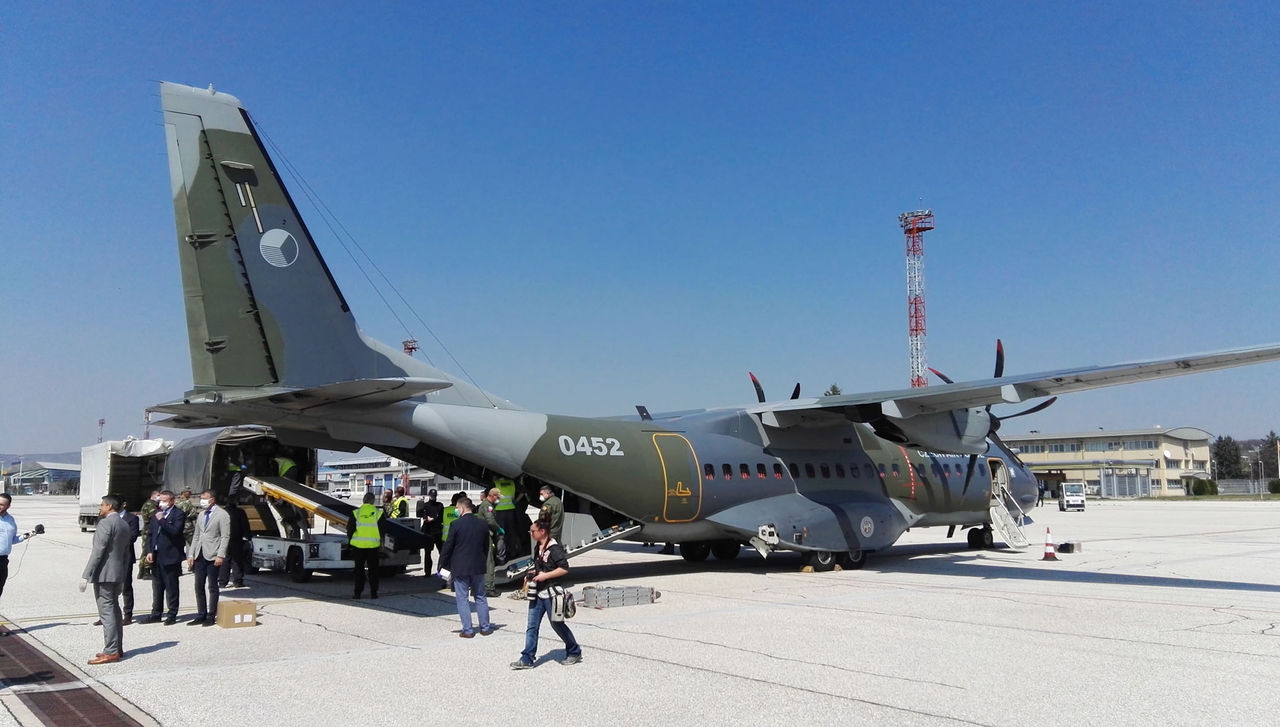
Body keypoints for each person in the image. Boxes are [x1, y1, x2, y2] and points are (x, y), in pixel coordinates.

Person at [510, 518, 581, 669]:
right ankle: (527, 658)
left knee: (557, 624)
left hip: (551, 594)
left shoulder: (555, 548)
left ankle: (574, 651)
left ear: (542, 531)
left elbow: (564, 568)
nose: (531, 533)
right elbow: (539, 566)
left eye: (533, 531)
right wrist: (532, 573)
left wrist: (545, 576)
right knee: (532, 626)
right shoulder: (538, 546)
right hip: (537, 593)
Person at [81, 495, 132, 664]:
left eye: (102, 505)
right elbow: (126, 553)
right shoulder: (124, 524)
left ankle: (111, 651)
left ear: (109, 506)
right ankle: (117, 647)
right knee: (115, 610)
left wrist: (86, 574)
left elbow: (98, 551)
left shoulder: (105, 523)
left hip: (104, 573)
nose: (100, 507)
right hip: (118, 572)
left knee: (107, 612)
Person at [437, 498, 493, 638]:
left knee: (462, 599)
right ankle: (485, 628)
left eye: (457, 508)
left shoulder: (456, 524)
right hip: (478, 566)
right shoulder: (482, 524)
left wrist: (441, 564)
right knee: (480, 596)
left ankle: (468, 630)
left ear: (462, 508)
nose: (456, 510)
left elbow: (448, 547)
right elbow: (486, 546)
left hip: (460, 567)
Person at [186, 490, 230, 626]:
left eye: (205, 498)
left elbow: (225, 536)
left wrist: (220, 555)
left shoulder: (222, 514)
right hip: (200, 554)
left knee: (212, 586)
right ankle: (201, 614)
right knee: (198, 585)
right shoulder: (201, 514)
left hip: (213, 554)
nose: (202, 501)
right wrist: (191, 554)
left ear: (212, 499)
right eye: (201, 498)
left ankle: (211, 615)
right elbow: (197, 535)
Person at [143, 490, 186, 624]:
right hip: (156, 555)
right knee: (157, 586)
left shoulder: (178, 514)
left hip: (170, 556)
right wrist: (149, 551)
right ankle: (156, 613)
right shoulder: (156, 513)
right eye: (160, 500)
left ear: (171, 501)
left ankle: (172, 614)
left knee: (171, 586)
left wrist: (162, 520)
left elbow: (174, 531)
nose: (161, 503)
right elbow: (150, 534)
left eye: (164, 501)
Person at [346, 492, 385, 599]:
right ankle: (374, 593)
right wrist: (382, 543)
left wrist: (351, 542)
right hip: (373, 546)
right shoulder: (378, 513)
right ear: (373, 501)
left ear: (363, 500)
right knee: (373, 570)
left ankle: (357, 593)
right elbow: (382, 530)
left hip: (358, 546)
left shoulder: (356, 513)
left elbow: (350, 529)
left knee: (359, 570)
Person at [0, 493, 33, 599]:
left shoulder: (10, 520)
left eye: (1, 504)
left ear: (8, 506)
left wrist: (25, 536)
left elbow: (12, 540)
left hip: (3, 560)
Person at [218, 498, 251, 589]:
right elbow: (245, 525)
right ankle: (237, 581)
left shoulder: (221, 512)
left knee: (225, 560)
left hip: (224, 539)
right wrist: (248, 537)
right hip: (237, 539)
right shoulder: (240, 512)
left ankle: (222, 582)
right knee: (237, 560)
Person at [478, 487, 503, 597]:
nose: (498, 500)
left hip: (483, 535)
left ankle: (480, 586)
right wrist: (498, 529)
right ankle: (488, 588)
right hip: (486, 536)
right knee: (489, 561)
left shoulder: (486, 505)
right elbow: (490, 521)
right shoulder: (487, 506)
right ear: (492, 496)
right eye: (497, 497)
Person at [136, 490, 160, 580]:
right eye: (158, 495)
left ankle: (141, 571)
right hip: (149, 530)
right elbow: (155, 517)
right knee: (148, 551)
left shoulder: (148, 504)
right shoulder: (151, 505)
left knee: (144, 551)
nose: (159, 497)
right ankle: (146, 571)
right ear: (153, 496)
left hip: (147, 529)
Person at [420, 489, 444, 575]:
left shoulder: (440, 505)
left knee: (442, 553)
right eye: (432, 496)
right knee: (427, 553)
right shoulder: (425, 505)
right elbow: (424, 516)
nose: (433, 497)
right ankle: (427, 572)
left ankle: (442, 571)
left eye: (434, 496)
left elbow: (440, 517)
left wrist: (433, 519)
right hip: (428, 531)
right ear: (429, 496)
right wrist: (428, 519)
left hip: (437, 531)